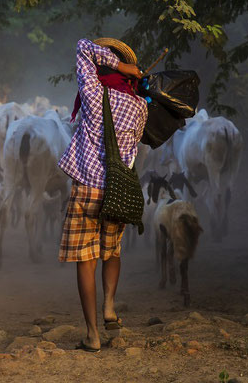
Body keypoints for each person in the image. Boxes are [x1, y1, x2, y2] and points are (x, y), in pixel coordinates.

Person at [57, 38, 148, 352]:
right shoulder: (140, 107)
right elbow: (134, 147)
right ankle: (110, 305)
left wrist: (116, 64)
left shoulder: (93, 93)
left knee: (86, 261)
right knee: (112, 251)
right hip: (117, 192)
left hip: (86, 189)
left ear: (102, 66)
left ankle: (93, 335)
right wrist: (130, 71)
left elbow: (81, 45)